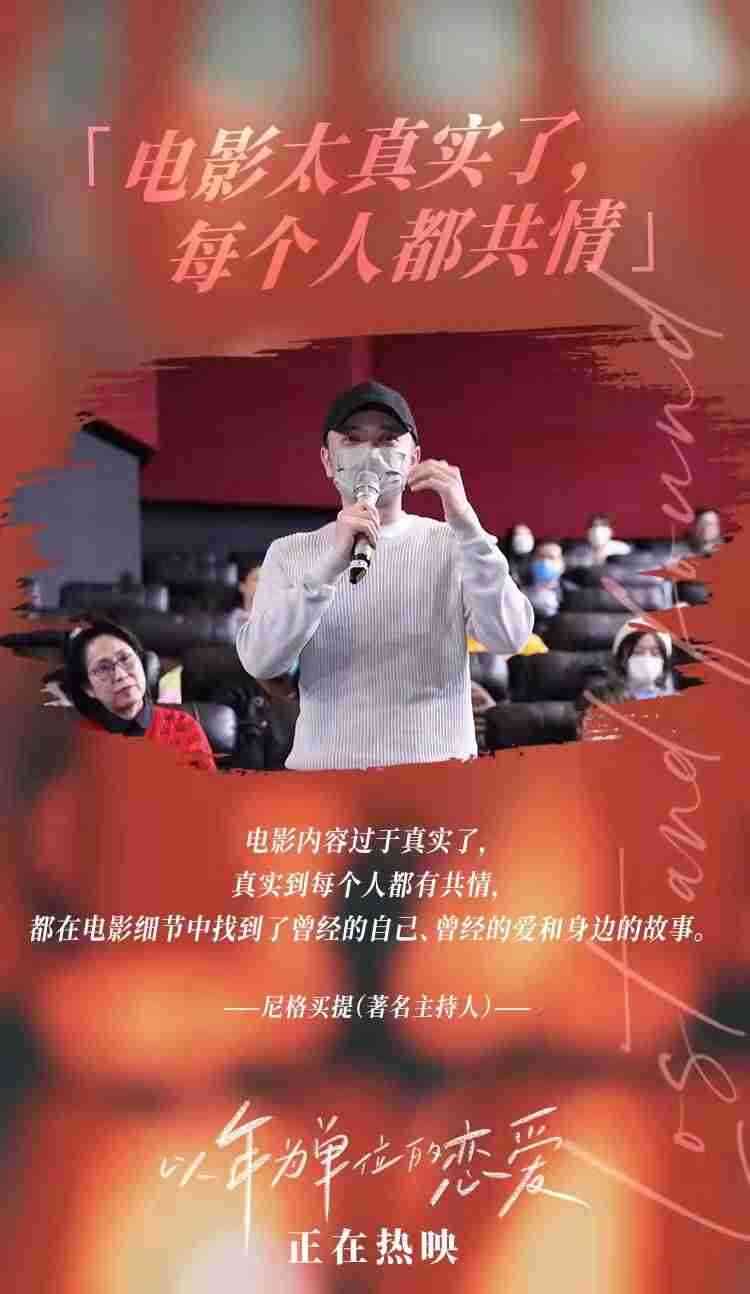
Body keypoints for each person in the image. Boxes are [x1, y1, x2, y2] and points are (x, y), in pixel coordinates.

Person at [237, 380, 534, 770]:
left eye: (388, 439)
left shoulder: (452, 543)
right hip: (328, 775)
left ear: (414, 458)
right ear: (327, 460)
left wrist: (469, 529)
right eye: (352, 439)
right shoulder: (290, 552)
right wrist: (327, 568)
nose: (371, 453)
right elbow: (261, 661)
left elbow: (508, 636)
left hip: (437, 773)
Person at [64, 620, 215, 770]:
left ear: (141, 662)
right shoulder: (78, 745)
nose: (120, 675)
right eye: (103, 668)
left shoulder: (182, 727)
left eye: (125, 658)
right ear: (88, 688)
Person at [524, 540, 565, 618]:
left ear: (562, 563)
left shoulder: (570, 593)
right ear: (532, 560)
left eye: (551, 557)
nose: (545, 562)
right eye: (541, 557)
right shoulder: (520, 592)